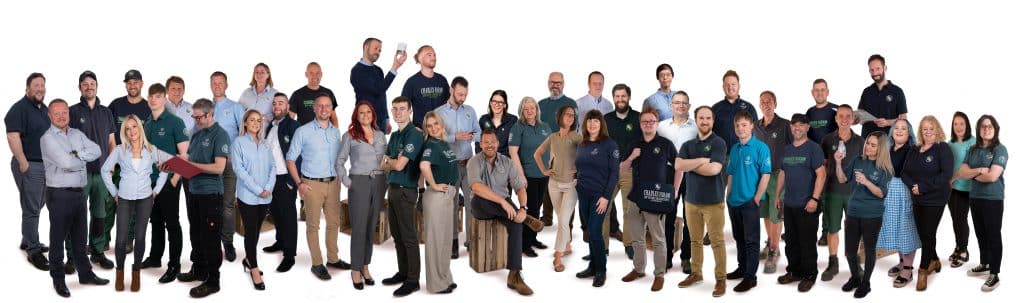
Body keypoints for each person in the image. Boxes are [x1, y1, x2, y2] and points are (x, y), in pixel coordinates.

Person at [40, 99, 111, 297]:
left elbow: (97, 150)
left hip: (79, 192)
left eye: (64, 112)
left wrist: (76, 153)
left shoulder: (77, 134)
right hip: (60, 195)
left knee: (80, 239)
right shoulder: (47, 139)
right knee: (58, 240)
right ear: (50, 116)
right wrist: (80, 158)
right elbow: (65, 163)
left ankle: (86, 274)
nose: (62, 116)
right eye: (57, 113)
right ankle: (58, 280)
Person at [101, 113, 172, 292]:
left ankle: (136, 273)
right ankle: (119, 273)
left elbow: (167, 167)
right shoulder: (119, 150)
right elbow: (104, 170)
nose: (131, 131)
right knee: (121, 239)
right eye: (127, 128)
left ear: (139, 129)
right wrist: (114, 193)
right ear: (124, 131)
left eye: (134, 127)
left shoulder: (151, 149)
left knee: (140, 237)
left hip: (145, 198)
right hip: (124, 198)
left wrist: (156, 190)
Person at [468, 129, 544, 296]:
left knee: (516, 224)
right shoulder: (474, 161)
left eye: (492, 142)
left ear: (498, 143)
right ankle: (525, 219)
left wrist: (523, 208)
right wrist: (502, 201)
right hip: (482, 205)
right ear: (481, 144)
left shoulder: (507, 162)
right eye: (485, 142)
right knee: (484, 199)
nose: (489, 145)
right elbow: (476, 187)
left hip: (506, 207)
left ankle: (514, 275)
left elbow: (520, 187)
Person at [286, 94, 351, 281]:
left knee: (334, 223)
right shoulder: (303, 131)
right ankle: (317, 263)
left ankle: (333, 258)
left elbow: (338, 158)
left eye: (327, 106)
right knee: (313, 225)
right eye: (320, 106)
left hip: (333, 184)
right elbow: (290, 159)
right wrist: (299, 183)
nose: (324, 109)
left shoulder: (335, 132)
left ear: (332, 109)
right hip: (311, 185)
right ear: (314, 109)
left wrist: (339, 176)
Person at [176, 98, 229, 298]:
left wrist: (194, 168)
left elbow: (219, 168)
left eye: (199, 117)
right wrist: (172, 164)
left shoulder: (220, 135)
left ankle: (213, 281)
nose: (196, 121)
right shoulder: (197, 133)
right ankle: (199, 270)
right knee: (196, 235)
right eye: (194, 117)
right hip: (194, 192)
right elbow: (189, 158)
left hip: (211, 195)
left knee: (210, 239)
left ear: (210, 114)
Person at [619, 108, 676, 292]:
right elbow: (622, 169)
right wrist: (632, 156)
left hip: (656, 198)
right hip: (635, 198)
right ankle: (638, 269)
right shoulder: (634, 144)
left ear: (657, 123)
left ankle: (659, 275)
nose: (648, 124)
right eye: (645, 121)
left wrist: (674, 189)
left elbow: (679, 166)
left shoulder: (666, 144)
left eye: (652, 121)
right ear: (640, 124)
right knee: (637, 237)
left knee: (659, 239)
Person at [675, 105, 728, 298]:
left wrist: (691, 164)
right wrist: (701, 161)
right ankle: (696, 273)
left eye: (708, 118)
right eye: (701, 118)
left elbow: (714, 169)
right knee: (694, 240)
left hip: (713, 201)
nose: (704, 121)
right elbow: (678, 164)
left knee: (717, 241)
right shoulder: (688, 145)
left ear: (712, 121)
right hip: (691, 201)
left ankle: (721, 279)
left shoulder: (719, 143)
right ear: (695, 120)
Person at [139, 84, 189, 284]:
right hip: (150, 182)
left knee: (172, 223)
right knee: (155, 221)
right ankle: (155, 257)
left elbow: (185, 153)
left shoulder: (175, 122)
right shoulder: (147, 124)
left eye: (157, 96)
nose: (153, 100)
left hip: (168, 181)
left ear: (164, 99)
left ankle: (174, 265)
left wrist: (175, 178)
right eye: (150, 96)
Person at [835, 131, 894, 299]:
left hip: (872, 216)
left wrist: (867, 182)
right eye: (868, 143)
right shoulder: (857, 160)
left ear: (880, 149)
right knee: (850, 251)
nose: (868, 147)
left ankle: (866, 282)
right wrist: (838, 163)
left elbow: (881, 194)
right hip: (853, 213)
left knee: (869, 251)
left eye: (873, 145)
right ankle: (855, 276)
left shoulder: (885, 169)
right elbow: (841, 179)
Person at [68, 70, 117, 272]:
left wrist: (112, 164)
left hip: (102, 173)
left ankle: (97, 252)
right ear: (80, 87)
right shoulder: (72, 112)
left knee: (99, 214)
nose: (89, 87)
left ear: (97, 86)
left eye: (92, 83)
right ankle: (72, 256)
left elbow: (112, 141)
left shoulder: (106, 112)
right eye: (85, 84)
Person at [337, 101, 387, 290]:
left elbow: (386, 160)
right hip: (359, 182)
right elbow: (340, 161)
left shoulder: (381, 135)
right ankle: (355, 270)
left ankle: (365, 266)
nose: (365, 115)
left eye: (368, 112)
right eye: (361, 113)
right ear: (356, 116)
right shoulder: (350, 136)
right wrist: (348, 182)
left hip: (379, 182)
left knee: (370, 227)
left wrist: (386, 182)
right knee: (358, 228)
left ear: (373, 115)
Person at [901, 115, 954, 291]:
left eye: (931, 128)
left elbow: (945, 175)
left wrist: (922, 187)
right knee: (923, 233)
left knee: (928, 233)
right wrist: (913, 187)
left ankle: (923, 271)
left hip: (936, 198)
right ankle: (935, 260)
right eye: (925, 128)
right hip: (917, 197)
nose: (928, 132)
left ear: (937, 129)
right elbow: (904, 173)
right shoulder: (915, 149)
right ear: (920, 131)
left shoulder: (942, 148)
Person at [775, 113, 826, 292]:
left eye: (801, 125)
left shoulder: (813, 148)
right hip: (789, 203)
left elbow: (821, 174)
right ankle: (794, 271)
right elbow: (782, 173)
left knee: (807, 242)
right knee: (791, 242)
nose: (797, 128)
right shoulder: (787, 149)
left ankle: (809, 275)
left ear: (807, 127)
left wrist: (814, 199)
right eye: (794, 125)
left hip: (807, 204)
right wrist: (777, 196)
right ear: (791, 128)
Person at [380, 96, 425, 297]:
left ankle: (413, 280)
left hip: (407, 191)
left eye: (402, 109)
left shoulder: (414, 134)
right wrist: (391, 162)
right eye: (395, 109)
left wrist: (391, 162)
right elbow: (382, 163)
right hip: (393, 189)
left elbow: (398, 165)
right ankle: (403, 272)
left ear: (410, 111)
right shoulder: (396, 135)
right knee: (397, 236)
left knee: (408, 237)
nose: (398, 112)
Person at [723, 110, 772, 293]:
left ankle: (751, 277)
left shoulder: (761, 148)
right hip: (734, 202)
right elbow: (731, 174)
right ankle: (742, 268)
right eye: (737, 126)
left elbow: (766, 175)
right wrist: (728, 196)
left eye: (744, 125)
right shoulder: (735, 149)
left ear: (752, 126)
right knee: (739, 239)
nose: (741, 128)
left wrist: (757, 198)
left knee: (751, 241)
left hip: (750, 202)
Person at [433, 76, 481, 258]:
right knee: (451, 205)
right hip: (449, 165)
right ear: (451, 90)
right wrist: (454, 137)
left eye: (465, 95)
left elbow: (479, 133)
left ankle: (470, 240)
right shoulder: (438, 113)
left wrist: (472, 136)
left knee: (472, 203)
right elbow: (434, 137)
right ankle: (453, 242)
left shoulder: (470, 111)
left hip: (468, 164)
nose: (462, 98)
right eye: (460, 94)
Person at [7, 73, 51, 271]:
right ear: (27, 88)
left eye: (42, 85)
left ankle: (27, 239)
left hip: (44, 166)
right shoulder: (20, 108)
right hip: (29, 164)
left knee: (38, 204)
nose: (40, 89)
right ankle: (33, 250)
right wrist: (23, 163)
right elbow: (12, 136)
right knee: (32, 208)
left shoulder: (43, 109)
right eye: (36, 85)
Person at [957, 115, 1006, 292]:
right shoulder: (973, 149)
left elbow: (993, 176)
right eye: (983, 126)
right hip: (975, 197)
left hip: (993, 199)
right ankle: (984, 263)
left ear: (995, 129)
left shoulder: (1000, 150)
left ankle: (994, 273)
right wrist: (978, 170)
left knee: (993, 235)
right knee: (980, 234)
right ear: (978, 130)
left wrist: (972, 174)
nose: (986, 129)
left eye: (990, 126)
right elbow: (962, 172)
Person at [107, 69, 152, 258]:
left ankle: (128, 240)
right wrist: (111, 161)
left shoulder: (148, 107)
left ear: (141, 84)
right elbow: (108, 133)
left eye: (136, 82)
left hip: (138, 162)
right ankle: (104, 240)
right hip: (118, 160)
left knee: (135, 203)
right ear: (126, 84)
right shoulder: (115, 105)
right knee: (110, 201)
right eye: (129, 82)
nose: (132, 86)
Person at [573, 110, 619, 288]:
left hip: (599, 196)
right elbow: (579, 166)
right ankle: (592, 266)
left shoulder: (610, 145)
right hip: (583, 194)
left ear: (601, 124)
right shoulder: (582, 144)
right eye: (589, 121)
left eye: (596, 121)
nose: (592, 124)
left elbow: (614, 173)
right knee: (588, 230)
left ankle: (601, 271)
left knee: (595, 231)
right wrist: (576, 179)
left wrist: (606, 197)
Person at [231, 109, 276, 291]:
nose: (256, 123)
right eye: (252, 120)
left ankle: (248, 259)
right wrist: (259, 190)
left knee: (256, 231)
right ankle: (254, 267)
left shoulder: (265, 144)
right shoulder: (238, 143)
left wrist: (268, 188)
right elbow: (239, 171)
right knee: (250, 231)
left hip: (265, 196)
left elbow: (272, 167)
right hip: (248, 197)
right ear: (245, 123)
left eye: (259, 120)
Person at [818, 104, 863, 281]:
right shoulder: (827, 140)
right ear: (836, 119)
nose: (844, 120)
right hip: (833, 191)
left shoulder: (860, 142)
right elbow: (822, 168)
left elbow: (865, 167)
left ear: (853, 119)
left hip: (853, 193)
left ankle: (855, 262)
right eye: (840, 116)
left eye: (848, 116)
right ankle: (833, 262)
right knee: (833, 229)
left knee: (855, 230)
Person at [533, 105, 581, 272]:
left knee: (562, 220)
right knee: (561, 217)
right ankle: (567, 245)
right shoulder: (552, 137)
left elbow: (589, 153)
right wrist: (544, 170)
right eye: (567, 114)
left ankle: (558, 256)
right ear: (560, 117)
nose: (570, 117)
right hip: (553, 184)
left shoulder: (576, 137)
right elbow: (537, 154)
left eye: (573, 115)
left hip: (571, 186)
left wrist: (580, 169)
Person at [288, 62, 338, 222]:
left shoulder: (328, 92)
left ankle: (323, 201)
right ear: (306, 74)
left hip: (325, 138)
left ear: (321, 74)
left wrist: (334, 135)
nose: (314, 76)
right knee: (305, 172)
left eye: (317, 73)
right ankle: (305, 203)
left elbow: (334, 117)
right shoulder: (298, 94)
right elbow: (290, 119)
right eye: (311, 73)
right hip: (305, 141)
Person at [656, 90, 697, 273]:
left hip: (690, 174)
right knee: (667, 216)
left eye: (684, 103)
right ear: (671, 106)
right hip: (667, 174)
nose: (680, 105)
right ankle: (667, 257)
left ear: (689, 106)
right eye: (677, 102)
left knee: (690, 217)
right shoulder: (662, 127)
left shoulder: (696, 127)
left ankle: (686, 257)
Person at [876, 119, 921, 288]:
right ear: (892, 131)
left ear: (909, 133)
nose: (900, 130)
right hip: (889, 193)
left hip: (904, 192)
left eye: (904, 128)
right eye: (897, 128)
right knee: (894, 227)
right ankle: (902, 262)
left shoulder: (912, 150)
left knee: (905, 228)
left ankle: (908, 269)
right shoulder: (888, 149)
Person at [419, 111, 459, 294]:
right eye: (429, 125)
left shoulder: (443, 143)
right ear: (426, 129)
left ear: (441, 125)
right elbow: (423, 165)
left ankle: (445, 278)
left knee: (444, 241)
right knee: (436, 241)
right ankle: (435, 284)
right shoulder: (431, 145)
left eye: (436, 124)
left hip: (448, 194)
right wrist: (433, 185)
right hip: (437, 197)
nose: (433, 128)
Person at [752, 91, 790, 274]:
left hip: (778, 176)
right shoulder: (755, 126)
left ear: (775, 103)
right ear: (759, 105)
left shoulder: (785, 125)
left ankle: (774, 250)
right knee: (766, 212)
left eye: (769, 101)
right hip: (761, 176)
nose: (766, 104)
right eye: (762, 102)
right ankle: (771, 242)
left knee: (776, 214)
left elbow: (793, 149)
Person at [261, 93, 300, 273]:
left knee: (289, 217)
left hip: (285, 179)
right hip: (270, 179)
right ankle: (280, 241)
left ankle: (289, 255)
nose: (277, 106)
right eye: (275, 103)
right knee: (275, 213)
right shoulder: (270, 125)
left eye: (281, 103)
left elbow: (300, 154)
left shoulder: (293, 125)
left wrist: (293, 181)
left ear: (287, 106)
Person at [209, 71, 246, 261]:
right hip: (208, 166)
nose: (217, 85)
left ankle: (228, 242)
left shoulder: (235, 108)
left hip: (229, 164)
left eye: (220, 82)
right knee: (210, 206)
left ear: (226, 85)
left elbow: (245, 133)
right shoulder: (205, 107)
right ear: (210, 85)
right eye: (214, 83)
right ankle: (212, 242)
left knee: (227, 205)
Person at [509, 97, 551, 257]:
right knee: (528, 209)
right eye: (526, 108)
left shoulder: (545, 127)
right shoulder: (518, 127)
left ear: (536, 109)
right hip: (528, 176)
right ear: (521, 110)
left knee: (537, 207)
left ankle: (532, 239)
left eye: (532, 108)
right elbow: (513, 152)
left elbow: (550, 147)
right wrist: (521, 176)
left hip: (543, 174)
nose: (529, 111)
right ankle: (524, 244)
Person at [536, 71, 576, 225]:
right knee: (548, 183)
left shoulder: (570, 103)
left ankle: (567, 222)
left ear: (563, 84)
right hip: (547, 149)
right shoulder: (541, 104)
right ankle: (547, 217)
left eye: (558, 82)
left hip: (566, 150)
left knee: (567, 186)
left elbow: (574, 127)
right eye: (552, 82)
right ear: (548, 83)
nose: (555, 85)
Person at [604, 83, 639, 256]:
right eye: (617, 96)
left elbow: (642, 144)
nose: (620, 99)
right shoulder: (606, 119)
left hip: (629, 171)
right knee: (602, 208)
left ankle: (629, 244)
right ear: (613, 98)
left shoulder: (637, 118)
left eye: (623, 96)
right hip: (609, 171)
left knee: (629, 210)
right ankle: (602, 247)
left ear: (629, 97)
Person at [351, 37, 406, 132]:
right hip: (366, 121)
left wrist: (387, 118)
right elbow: (378, 90)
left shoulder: (378, 70)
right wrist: (395, 67)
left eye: (380, 50)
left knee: (381, 147)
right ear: (366, 47)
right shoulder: (357, 71)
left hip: (381, 121)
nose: (378, 52)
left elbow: (382, 95)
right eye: (375, 48)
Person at [946, 112, 975, 268]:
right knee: (955, 219)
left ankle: (964, 250)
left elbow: (970, 166)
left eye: (961, 123)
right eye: (955, 124)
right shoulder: (949, 144)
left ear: (967, 125)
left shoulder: (973, 142)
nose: (958, 127)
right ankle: (958, 247)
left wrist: (954, 178)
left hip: (966, 188)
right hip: (951, 188)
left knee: (961, 219)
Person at [858, 54, 908, 137]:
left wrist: (888, 122)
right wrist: (854, 120)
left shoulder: (897, 91)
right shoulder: (866, 92)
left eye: (878, 69)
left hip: (888, 141)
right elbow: (860, 116)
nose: (875, 73)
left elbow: (904, 119)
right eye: (872, 70)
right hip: (867, 141)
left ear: (885, 68)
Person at [400, 45, 449, 128]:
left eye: (434, 55)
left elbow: (450, 105)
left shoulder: (442, 80)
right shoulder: (412, 82)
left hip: (440, 131)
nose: (433, 57)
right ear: (420, 58)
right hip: (421, 132)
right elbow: (402, 108)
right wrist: (411, 128)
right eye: (429, 55)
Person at [712, 70, 759, 152]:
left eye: (733, 84)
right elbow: (709, 133)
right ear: (723, 87)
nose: (730, 87)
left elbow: (757, 132)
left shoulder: (749, 107)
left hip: (744, 154)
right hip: (721, 156)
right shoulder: (715, 108)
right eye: (727, 85)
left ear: (739, 86)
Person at [476, 89, 517, 156]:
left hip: (506, 162)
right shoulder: (483, 120)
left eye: (500, 102)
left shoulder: (513, 120)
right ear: (490, 103)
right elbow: (478, 143)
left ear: (505, 105)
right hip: (486, 161)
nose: (497, 105)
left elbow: (514, 145)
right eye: (494, 101)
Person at [806, 79, 838, 144]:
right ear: (812, 93)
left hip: (833, 152)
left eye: (822, 90)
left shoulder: (837, 109)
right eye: (816, 90)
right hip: (814, 152)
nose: (819, 93)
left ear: (827, 92)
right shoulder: (809, 112)